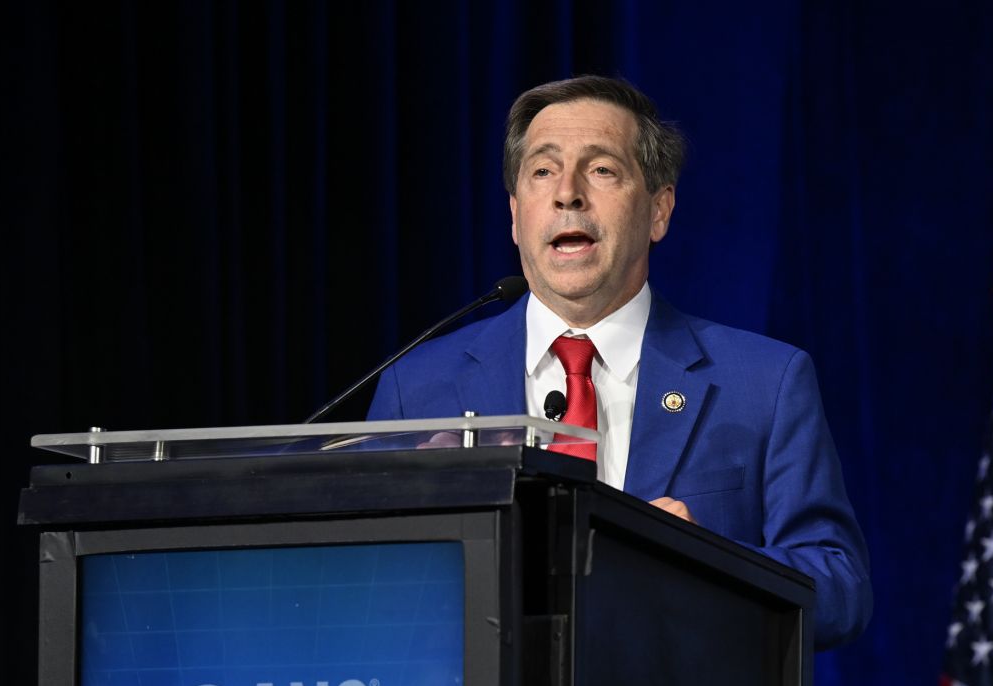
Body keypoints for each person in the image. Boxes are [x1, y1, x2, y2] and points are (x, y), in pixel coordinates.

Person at [366, 75, 871, 650]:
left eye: (602, 169)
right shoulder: (416, 388)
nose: (568, 194)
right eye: (543, 171)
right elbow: (371, 586)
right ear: (515, 214)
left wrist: (709, 565)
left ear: (659, 210)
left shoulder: (765, 383)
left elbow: (842, 590)